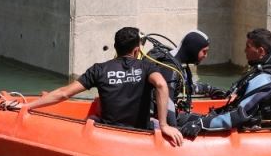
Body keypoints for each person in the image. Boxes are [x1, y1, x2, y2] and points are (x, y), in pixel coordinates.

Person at [23, 27, 183, 146]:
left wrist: (28, 105)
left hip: (107, 135)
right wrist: (163, 125)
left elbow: (64, 93)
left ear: (115, 48)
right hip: (139, 134)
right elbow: (162, 85)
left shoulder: (99, 69)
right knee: (156, 121)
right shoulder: (147, 68)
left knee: (92, 115)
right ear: (136, 50)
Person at [180, 28, 271, 136]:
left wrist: (201, 124)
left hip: (243, 129)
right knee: (182, 117)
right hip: (238, 120)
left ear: (261, 51)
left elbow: (239, 115)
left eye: (248, 46)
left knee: (180, 121)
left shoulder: (264, 79)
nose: (245, 50)